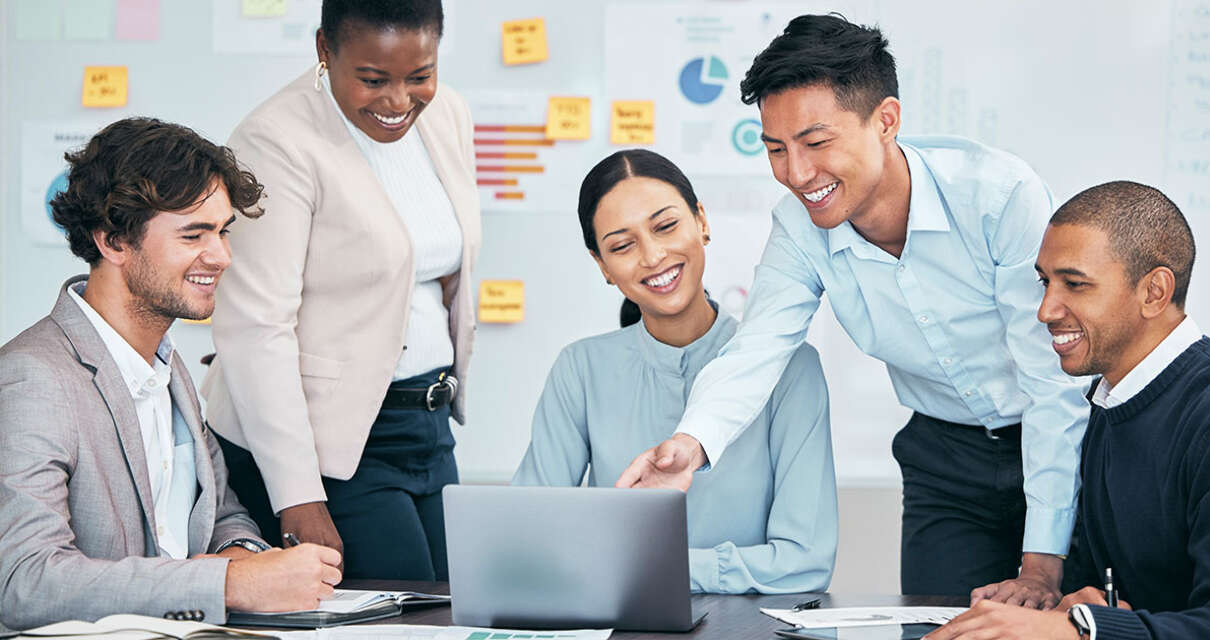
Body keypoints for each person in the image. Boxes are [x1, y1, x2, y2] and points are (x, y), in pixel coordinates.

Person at [616, 14, 1091, 603]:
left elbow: (1051, 381)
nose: (797, 173)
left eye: (816, 143)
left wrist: (1042, 564)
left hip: (1065, 440)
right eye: (776, 149)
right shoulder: (799, 227)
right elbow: (759, 348)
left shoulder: (997, 197)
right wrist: (690, 445)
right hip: (945, 457)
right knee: (936, 625)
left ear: (886, 120)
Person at [0, 118, 342, 631]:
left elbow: (220, 511)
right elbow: (25, 583)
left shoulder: (168, 363)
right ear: (113, 241)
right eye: (193, 234)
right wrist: (230, 585)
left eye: (223, 231)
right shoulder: (34, 379)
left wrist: (246, 554)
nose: (222, 256)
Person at [200, 0, 480, 581]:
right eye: (373, 79)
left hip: (426, 424)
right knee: (393, 615)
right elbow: (256, 326)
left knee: (457, 603)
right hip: (328, 440)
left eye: (419, 76)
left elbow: (434, 272)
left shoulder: (448, 114)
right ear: (325, 49)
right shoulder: (274, 139)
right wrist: (296, 493)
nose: (399, 102)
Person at [927, 182, 1210, 639]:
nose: (1045, 309)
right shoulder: (1109, 402)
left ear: (1154, 291)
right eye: (1045, 282)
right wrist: (1072, 606)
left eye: (1074, 284)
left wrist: (1082, 630)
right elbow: (1107, 597)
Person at [511, 149, 837, 594]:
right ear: (602, 266)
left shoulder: (792, 369)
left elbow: (805, 562)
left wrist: (649, 569)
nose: (652, 255)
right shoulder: (581, 370)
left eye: (665, 226)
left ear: (701, 220)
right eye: (622, 245)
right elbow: (527, 533)